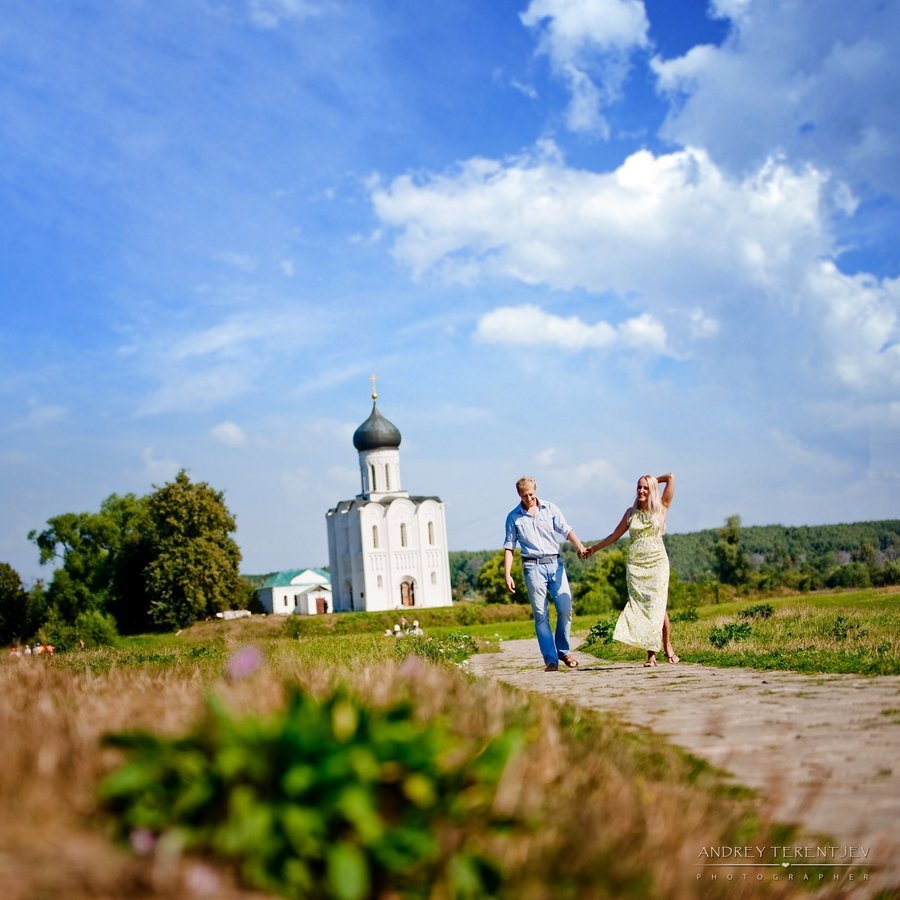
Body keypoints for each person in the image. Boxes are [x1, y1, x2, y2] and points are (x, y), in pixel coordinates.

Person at [586, 473, 678, 667]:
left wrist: (653, 481)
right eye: (639, 487)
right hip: (636, 566)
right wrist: (594, 549)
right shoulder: (630, 512)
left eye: (645, 488)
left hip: (657, 563)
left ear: (652, 490)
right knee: (644, 608)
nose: (641, 491)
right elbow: (614, 535)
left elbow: (670, 478)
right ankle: (651, 655)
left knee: (657, 604)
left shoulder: (661, 508)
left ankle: (667, 645)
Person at [504, 476, 588, 672]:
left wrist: (580, 547)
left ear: (536, 490)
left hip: (554, 563)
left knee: (565, 608)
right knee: (541, 614)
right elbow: (509, 547)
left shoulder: (550, 509)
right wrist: (507, 574)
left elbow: (566, 530)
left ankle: (564, 650)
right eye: (525, 496)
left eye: (531, 494)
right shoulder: (513, 517)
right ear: (519, 495)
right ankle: (551, 659)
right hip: (532, 567)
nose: (529, 498)